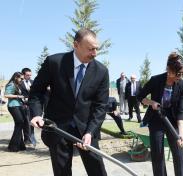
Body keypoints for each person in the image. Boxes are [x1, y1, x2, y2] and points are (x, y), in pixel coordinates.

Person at [29, 28, 108, 176]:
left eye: (96, 49)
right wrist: (37, 114)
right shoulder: (54, 62)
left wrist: (90, 131)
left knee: (97, 170)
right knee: (62, 172)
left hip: (86, 131)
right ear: (76, 45)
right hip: (58, 128)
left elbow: (100, 106)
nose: (95, 53)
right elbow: (36, 91)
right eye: (90, 49)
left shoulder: (101, 71)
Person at [137, 52, 183, 176]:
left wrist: (181, 134)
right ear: (169, 70)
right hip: (156, 119)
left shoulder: (182, 85)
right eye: (178, 73)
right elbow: (140, 96)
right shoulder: (156, 80)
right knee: (158, 154)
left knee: (179, 153)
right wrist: (151, 102)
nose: (181, 77)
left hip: (172, 120)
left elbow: (181, 112)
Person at [4, 72, 26, 152]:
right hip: (13, 106)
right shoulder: (11, 84)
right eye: (21, 78)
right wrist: (18, 96)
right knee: (19, 123)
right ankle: (13, 146)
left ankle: (19, 145)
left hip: (18, 105)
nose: (22, 80)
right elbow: (6, 95)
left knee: (20, 124)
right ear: (16, 77)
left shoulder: (17, 85)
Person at [19, 67, 37, 147]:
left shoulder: (33, 82)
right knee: (26, 121)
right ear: (23, 75)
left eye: (30, 75)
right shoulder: (19, 83)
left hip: (32, 104)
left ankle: (32, 137)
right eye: (27, 75)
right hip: (23, 105)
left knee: (32, 121)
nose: (29, 77)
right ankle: (27, 139)